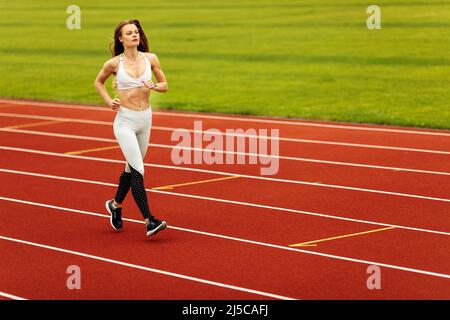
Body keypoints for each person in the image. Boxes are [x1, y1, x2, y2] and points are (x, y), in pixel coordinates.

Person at [94, 19, 168, 237]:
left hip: (145, 119)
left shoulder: (151, 58)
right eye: (129, 33)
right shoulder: (114, 64)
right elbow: (98, 82)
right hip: (125, 122)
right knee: (138, 170)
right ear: (121, 38)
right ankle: (149, 220)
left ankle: (115, 206)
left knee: (130, 168)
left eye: (136, 32)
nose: (134, 35)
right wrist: (108, 100)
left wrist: (156, 86)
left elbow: (165, 85)